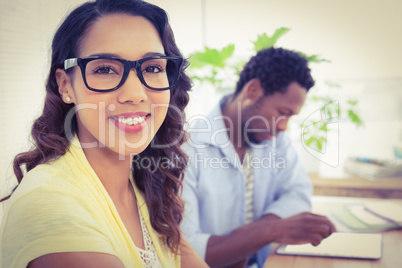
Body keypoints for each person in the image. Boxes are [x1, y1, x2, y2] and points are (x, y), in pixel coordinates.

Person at [0, 0, 208, 267]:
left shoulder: (144, 188)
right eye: (105, 69)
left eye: (153, 67)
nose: (135, 94)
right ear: (66, 85)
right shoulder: (49, 201)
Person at [181, 47, 336, 267]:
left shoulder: (273, 139)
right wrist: (271, 230)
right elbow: (185, 252)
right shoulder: (187, 148)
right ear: (252, 90)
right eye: (282, 112)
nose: (284, 127)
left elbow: (298, 192)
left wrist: (256, 233)